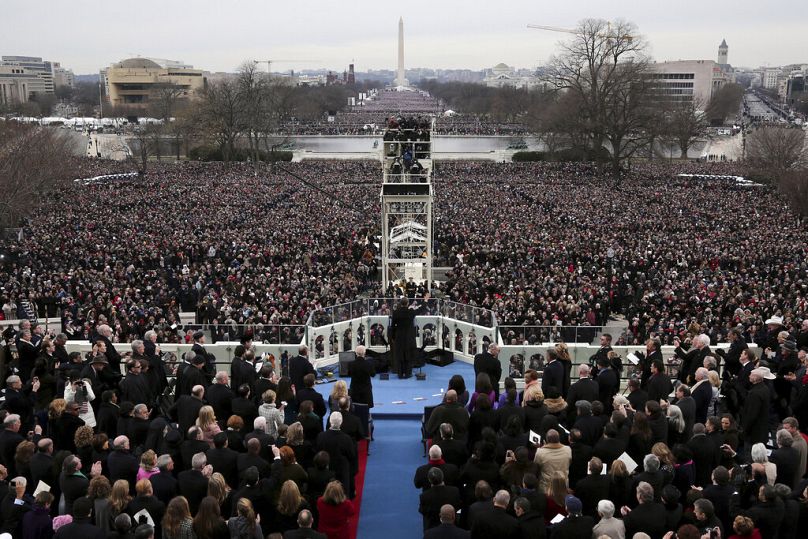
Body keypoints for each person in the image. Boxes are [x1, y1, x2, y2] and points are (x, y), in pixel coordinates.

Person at [389, 294, 430, 378]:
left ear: (401, 303)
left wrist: (393, 337)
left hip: (399, 337)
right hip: (409, 337)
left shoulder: (396, 312)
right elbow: (421, 309)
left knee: (400, 355)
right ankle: (408, 373)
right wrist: (425, 300)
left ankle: (400, 374)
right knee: (408, 355)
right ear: (407, 303)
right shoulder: (410, 312)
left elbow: (393, 326)